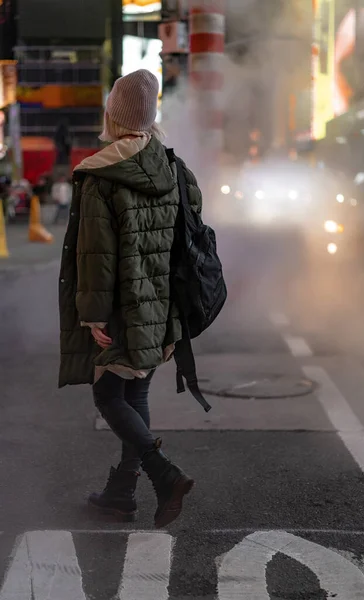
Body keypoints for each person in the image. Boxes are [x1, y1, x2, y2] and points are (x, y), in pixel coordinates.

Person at [58, 69, 202, 528]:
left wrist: (93, 315)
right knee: (134, 390)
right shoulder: (175, 167)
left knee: (108, 395)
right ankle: (121, 493)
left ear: (113, 115)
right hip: (162, 306)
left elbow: (95, 252)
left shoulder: (103, 172)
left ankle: (164, 473)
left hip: (121, 309)